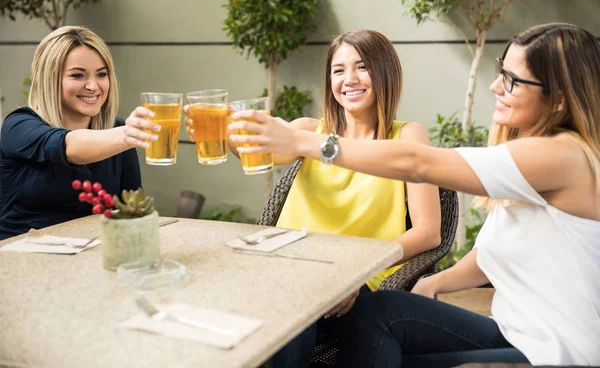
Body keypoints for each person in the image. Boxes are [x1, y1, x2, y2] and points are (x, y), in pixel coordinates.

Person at [228, 22, 600, 367]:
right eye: (502, 71)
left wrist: (305, 141)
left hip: (556, 350)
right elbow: (494, 253)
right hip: (512, 328)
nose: (495, 86)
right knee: (377, 315)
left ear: (559, 100)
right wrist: (435, 281)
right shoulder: (536, 153)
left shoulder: (562, 156)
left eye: (513, 81)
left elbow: (417, 163)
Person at [192, 29, 441, 367]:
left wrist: (356, 274)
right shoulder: (309, 131)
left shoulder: (407, 136)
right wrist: (222, 134)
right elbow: (256, 153)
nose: (349, 79)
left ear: (385, 72)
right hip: (286, 267)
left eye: (362, 67)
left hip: (355, 281)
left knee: (292, 303)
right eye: (338, 70)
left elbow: (428, 232)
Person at [0, 26, 158, 240]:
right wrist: (125, 135)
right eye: (77, 75)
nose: (93, 86)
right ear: (50, 79)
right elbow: (66, 146)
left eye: (101, 74)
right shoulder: (19, 126)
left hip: (94, 261)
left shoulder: (117, 132)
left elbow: (132, 212)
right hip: (23, 263)